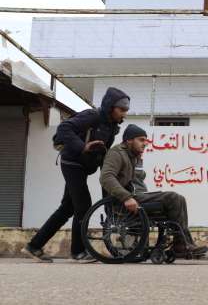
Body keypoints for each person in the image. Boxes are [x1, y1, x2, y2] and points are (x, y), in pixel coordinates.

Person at [22, 87, 130, 262]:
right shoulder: (93, 116)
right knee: (83, 206)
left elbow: (104, 155)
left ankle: (34, 246)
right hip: (72, 163)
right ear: (111, 107)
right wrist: (82, 147)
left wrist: (108, 188)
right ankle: (78, 252)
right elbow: (65, 128)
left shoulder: (111, 127)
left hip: (84, 167)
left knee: (67, 208)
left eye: (126, 110)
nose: (124, 113)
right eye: (122, 109)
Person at [100, 124, 208, 256]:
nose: (145, 143)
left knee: (179, 199)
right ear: (129, 140)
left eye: (146, 140)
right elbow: (106, 177)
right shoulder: (117, 153)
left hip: (135, 196)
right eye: (141, 140)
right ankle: (181, 244)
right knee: (172, 197)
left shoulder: (133, 156)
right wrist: (126, 197)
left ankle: (181, 243)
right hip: (122, 201)